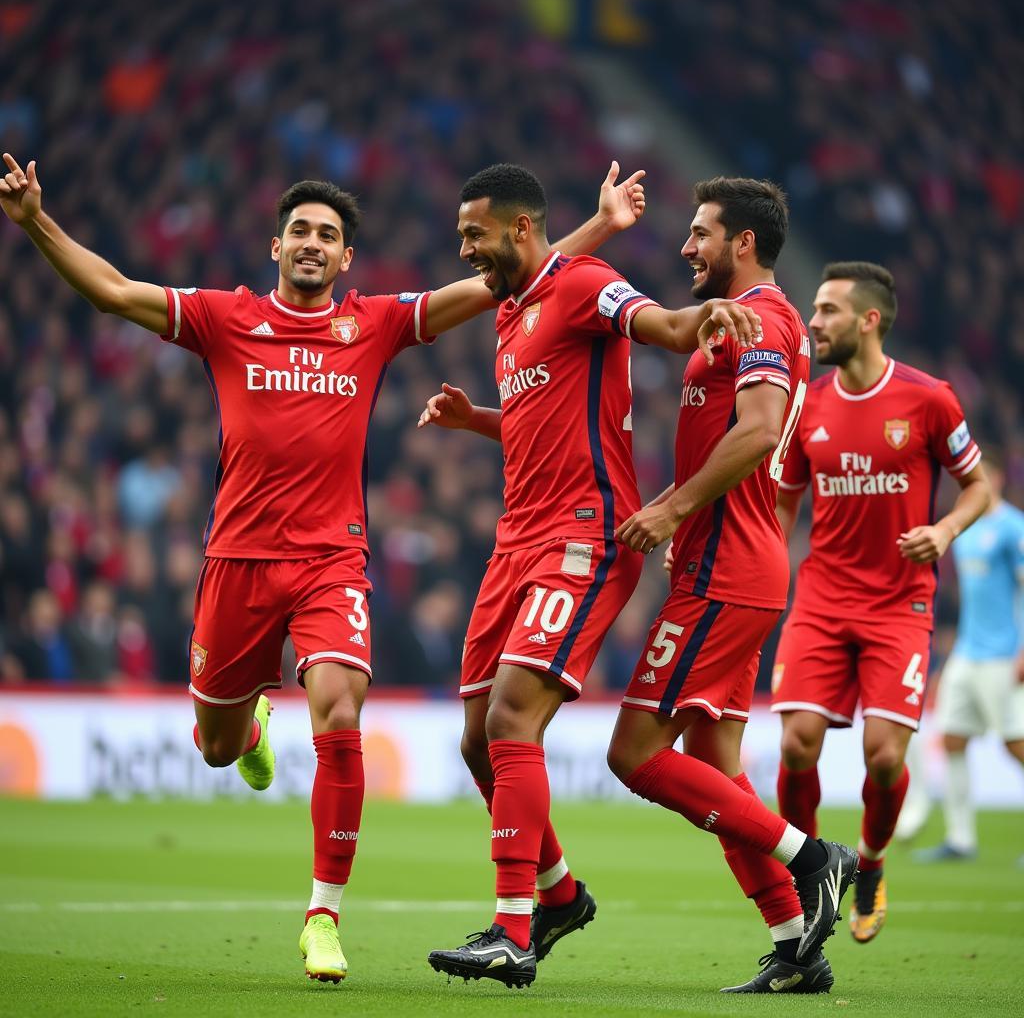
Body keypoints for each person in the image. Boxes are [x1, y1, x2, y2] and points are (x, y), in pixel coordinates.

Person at [0, 150, 648, 983]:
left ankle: (323, 916)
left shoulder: (372, 324)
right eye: (299, 231)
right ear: (276, 248)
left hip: (332, 561)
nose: (312, 243)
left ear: (347, 260)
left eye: (329, 236)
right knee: (214, 744)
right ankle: (250, 723)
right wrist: (35, 223)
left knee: (341, 715)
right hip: (235, 562)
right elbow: (117, 291)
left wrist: (596, 225)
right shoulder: (223, 317)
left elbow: (500, 278)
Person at [418, 164, 763, 990]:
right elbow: (545, 419)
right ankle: (559, 893)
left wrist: (697, 318)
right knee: (476, 741)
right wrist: (478, 422)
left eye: (474, 234)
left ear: (520, 228)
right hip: (515, 543)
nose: (464, 248)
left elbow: (658, 323)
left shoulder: (586, 285)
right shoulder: (510, 315)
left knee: (510, 719)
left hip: (584, 538)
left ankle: (511, 931)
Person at [607, 177, 855, 996]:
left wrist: (675, 509)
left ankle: (814, 856)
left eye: (702, 233)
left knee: (634, 754)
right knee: (716, 764)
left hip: (726, 570)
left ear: (742, 243)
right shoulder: (739, 321)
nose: (687, 246)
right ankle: (795, 946)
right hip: (734, 563)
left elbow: (756, 430)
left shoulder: (769, 319)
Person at [771, 261, 990, 944]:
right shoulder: (807, 402)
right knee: (797, 742)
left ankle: (868, 863)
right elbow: (784, 499)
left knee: (885, 756)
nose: (814, 321)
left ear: (869, 320)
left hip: (900, 604)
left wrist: (945, 529)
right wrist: (767, 567)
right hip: (822, 598)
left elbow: (978, 485)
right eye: (814, 309)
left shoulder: (930, 400)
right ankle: (812, 871)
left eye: (829, 310)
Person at [911, 450, 1024, 862]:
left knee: (1016, 745)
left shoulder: (1013, 528)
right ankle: (960, 839)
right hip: (968, 652)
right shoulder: (966, 531)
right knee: (953, 738)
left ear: (995, 477)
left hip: (1004, 656)